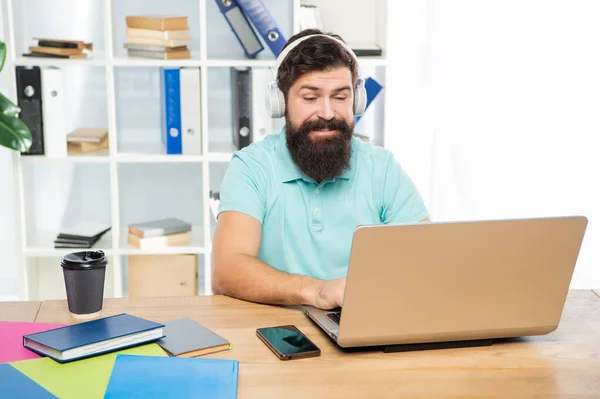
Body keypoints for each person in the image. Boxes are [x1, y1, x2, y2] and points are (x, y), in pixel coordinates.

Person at [212, 29, 430, 310]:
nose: (327, 113)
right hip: (276, 332)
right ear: (280, 103)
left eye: (340, 98)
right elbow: (227, 271)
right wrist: (317, 292)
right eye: (310, 97)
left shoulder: (382, 168)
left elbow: (425, 260)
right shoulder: (252, 167)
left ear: (357, 101)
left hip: (363, 324)